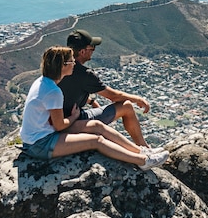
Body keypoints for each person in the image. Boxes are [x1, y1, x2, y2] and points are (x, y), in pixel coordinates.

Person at [19, 45, 168, 169]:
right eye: (71, 61)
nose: (74, 64)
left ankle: (141, 151)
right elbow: (59, 126)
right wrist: (74, 117)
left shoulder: (42, 81)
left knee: (97, 125)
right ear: (63, 65)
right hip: (40, 144)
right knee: (96, 141)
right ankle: (143, 161)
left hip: (40, 135)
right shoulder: (53, 91)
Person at [60, 29, 160, 150]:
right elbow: (114, 96)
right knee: (127, 106)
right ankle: (143, 148)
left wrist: (91, 101)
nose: (93, 51)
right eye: (92, 48)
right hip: (75, 121)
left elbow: (69, 90)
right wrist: (137, 99)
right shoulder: (85, 74)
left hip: (57, 121)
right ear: (82, 51)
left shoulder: (58, 67)